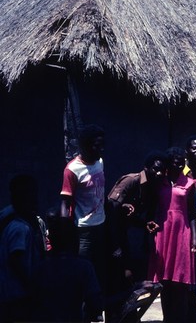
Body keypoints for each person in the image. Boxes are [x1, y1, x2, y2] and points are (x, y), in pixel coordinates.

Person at [105, 151, 167, 319]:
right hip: (109, 234)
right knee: (118, 277)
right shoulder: (131, 180)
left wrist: (145, 225)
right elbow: (110, 209)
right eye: (155, 169)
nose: (159, 173)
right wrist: (115, 246)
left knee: (126, 278)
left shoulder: (154, 187)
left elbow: (136, 217)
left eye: (162, 170)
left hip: (123, 232)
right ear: (146, 168)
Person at [148, 146, 196, 323]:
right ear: (168, 164)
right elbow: (153, 206)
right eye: (174, 163)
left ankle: (181, 318)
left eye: (181, 163)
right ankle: (167, 318)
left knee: (180, 280)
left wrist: (194, 238)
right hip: (163, 232)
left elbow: (192, 213)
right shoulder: (159, 181)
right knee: (164, 280)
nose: (178, 166)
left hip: (182, 232)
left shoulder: (189, 183)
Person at [60, 124, 106, 296]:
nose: (101, 149)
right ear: (85, 145)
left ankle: (93, 310)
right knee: (82, 270)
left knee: (98, 269)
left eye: (102, 145)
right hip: (83, 230)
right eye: (96, 145)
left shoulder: (100, 162)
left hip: (101, 224)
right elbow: (65, 202)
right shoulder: (72, 170)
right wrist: (65, 233)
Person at [30, 216, 103, 322]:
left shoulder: (39, 268)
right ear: (74, 240)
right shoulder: (83, 267)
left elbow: (33, 301)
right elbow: (94, 300)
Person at [0, 175, 45, 322]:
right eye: (32, 194)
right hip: (18, 296)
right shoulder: (20, 228)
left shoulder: (10, 220)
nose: (36, 199)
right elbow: (17, 259)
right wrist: (32, 285)